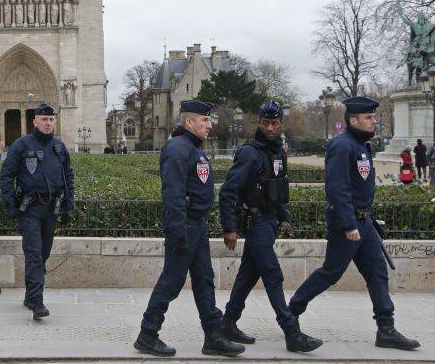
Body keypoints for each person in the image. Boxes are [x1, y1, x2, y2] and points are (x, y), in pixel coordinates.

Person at [288, 96, 420, 350]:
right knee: (331, 272)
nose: (374, 121)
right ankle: (290, 313)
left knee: (377, 272)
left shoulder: (360, 145)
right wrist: (348, 224)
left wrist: (364, 219)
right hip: (346, 222)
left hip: (364, 221)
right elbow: (338, 188)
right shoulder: (342, 146)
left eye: (373, 117)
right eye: (369, 117)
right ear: (353, 120)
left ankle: (386, 328)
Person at [135, 100, 244, 358]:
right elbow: (172, 194)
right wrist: (178, 231)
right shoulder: (177, 148)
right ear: (189, 122)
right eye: (205, 120)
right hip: (184, 225)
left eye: (209, 120)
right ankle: (147, 334)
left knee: (205, 281)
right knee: (171, 282)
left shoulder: (193, 148)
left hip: (197, 225)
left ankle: (213, 336)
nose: (209, 125)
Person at [219, 101, 322, 352]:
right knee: (273, 276)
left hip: (269, 222)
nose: (270, 128)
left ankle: (227, 323)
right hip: (255, 223)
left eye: (275, 123)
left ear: (281, 124)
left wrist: (283, 216)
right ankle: (291, 332)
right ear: (259, 123)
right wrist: (229, 228)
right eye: (265, 123)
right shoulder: (249, 153)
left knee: (247, 275)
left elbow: (278, 188)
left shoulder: (278, 152)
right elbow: (228, 191)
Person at [0, 103, 75, 320]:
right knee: (33, 254)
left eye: (51, 120)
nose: (48, 123)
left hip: (51, 209)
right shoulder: (21, 145)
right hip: (30, 209)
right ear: (35, 121)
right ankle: (37, 302)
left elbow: (69, 176)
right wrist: (10, 204)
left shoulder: (59, 147)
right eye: (44, 119)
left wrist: (69, 204)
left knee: (43, 254)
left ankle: (30, 296)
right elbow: (6, 175)